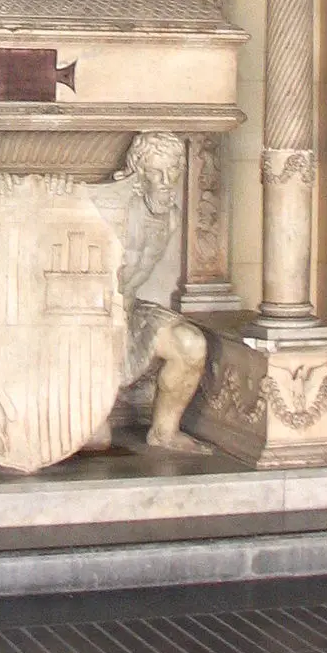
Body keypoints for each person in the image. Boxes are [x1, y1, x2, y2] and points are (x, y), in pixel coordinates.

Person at [92, 132, 209, 452]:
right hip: (90, 321)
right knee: (96, 439)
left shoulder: (169, 218)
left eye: (173, 171)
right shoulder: (112, 211)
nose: (166, 181)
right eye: (156, 173)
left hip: (129, 311)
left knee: (190, 343)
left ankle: (164, 433)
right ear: (137, 174)